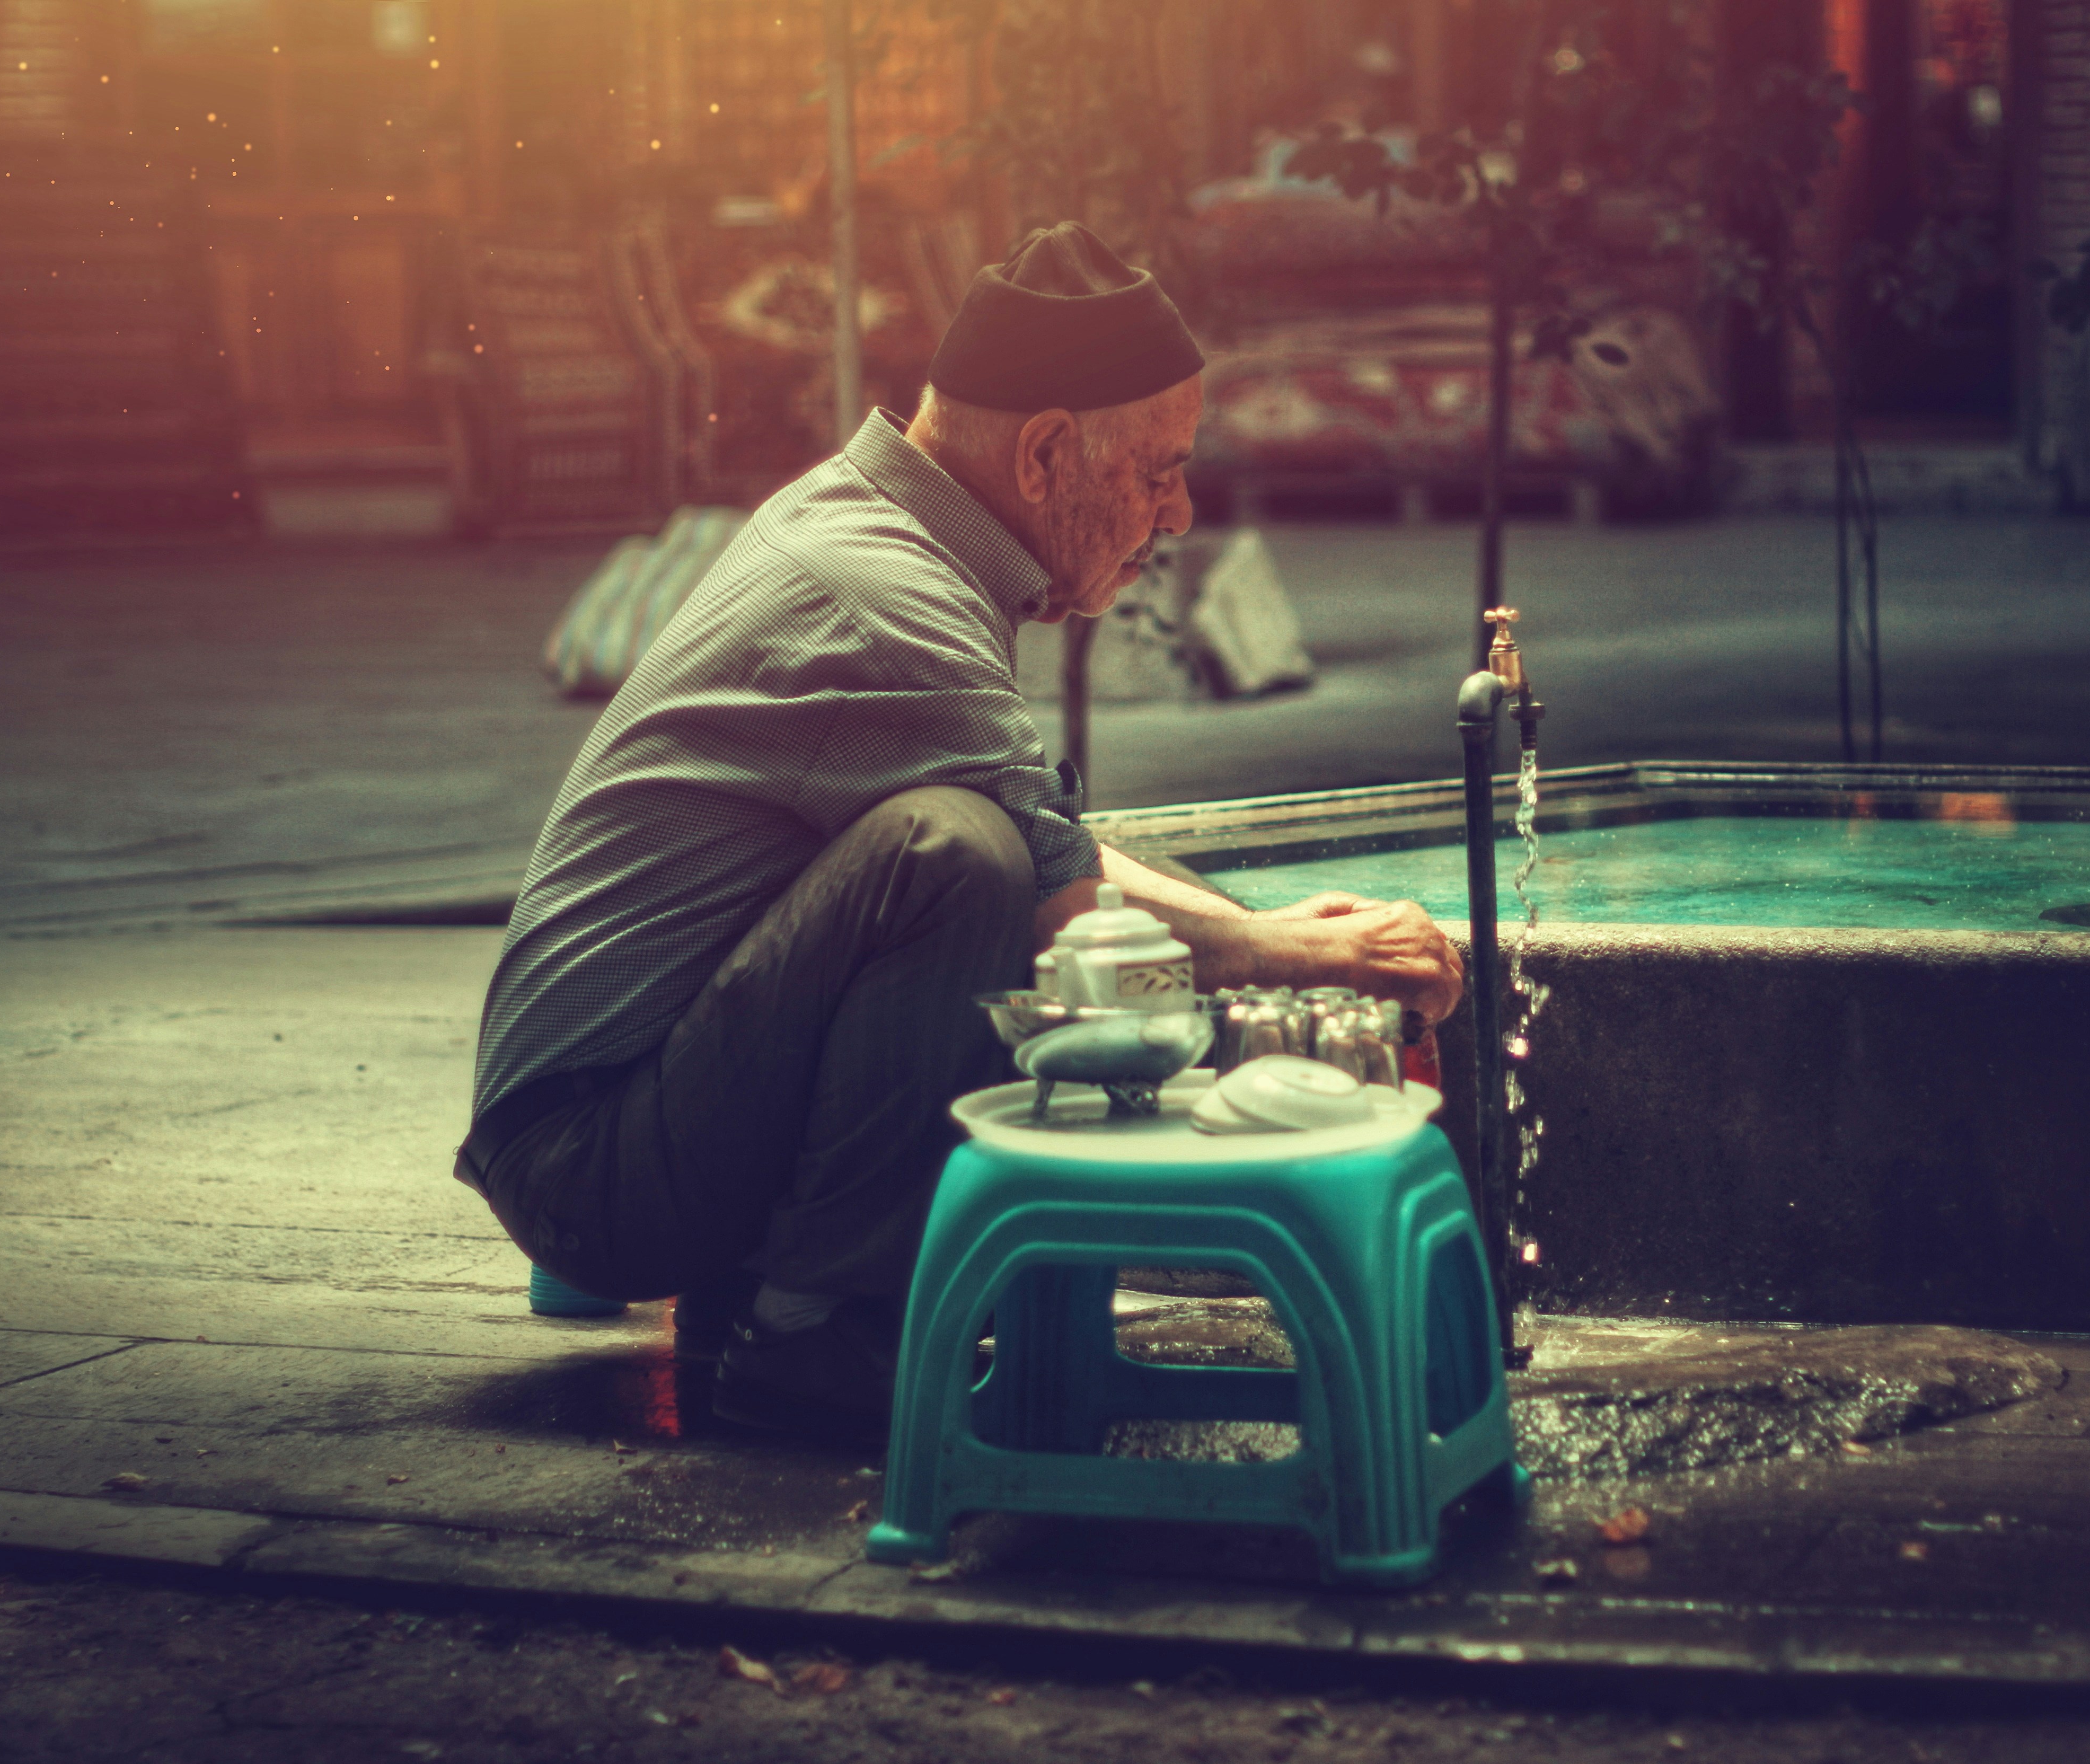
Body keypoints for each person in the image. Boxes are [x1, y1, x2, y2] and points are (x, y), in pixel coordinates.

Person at [455, 222, 1460, 1435]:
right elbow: (1055, 891)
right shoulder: (879, 593)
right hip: (588, 1172)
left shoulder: (890, 525)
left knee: (1077, 869)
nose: (1181, 512)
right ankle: (818, 1334)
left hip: (629, 1121)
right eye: (1158, 469)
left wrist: (1264, 933)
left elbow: (1066, 851)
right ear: (1044, 452)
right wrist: (1313, 953)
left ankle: (805, 1285)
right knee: (956, 857)